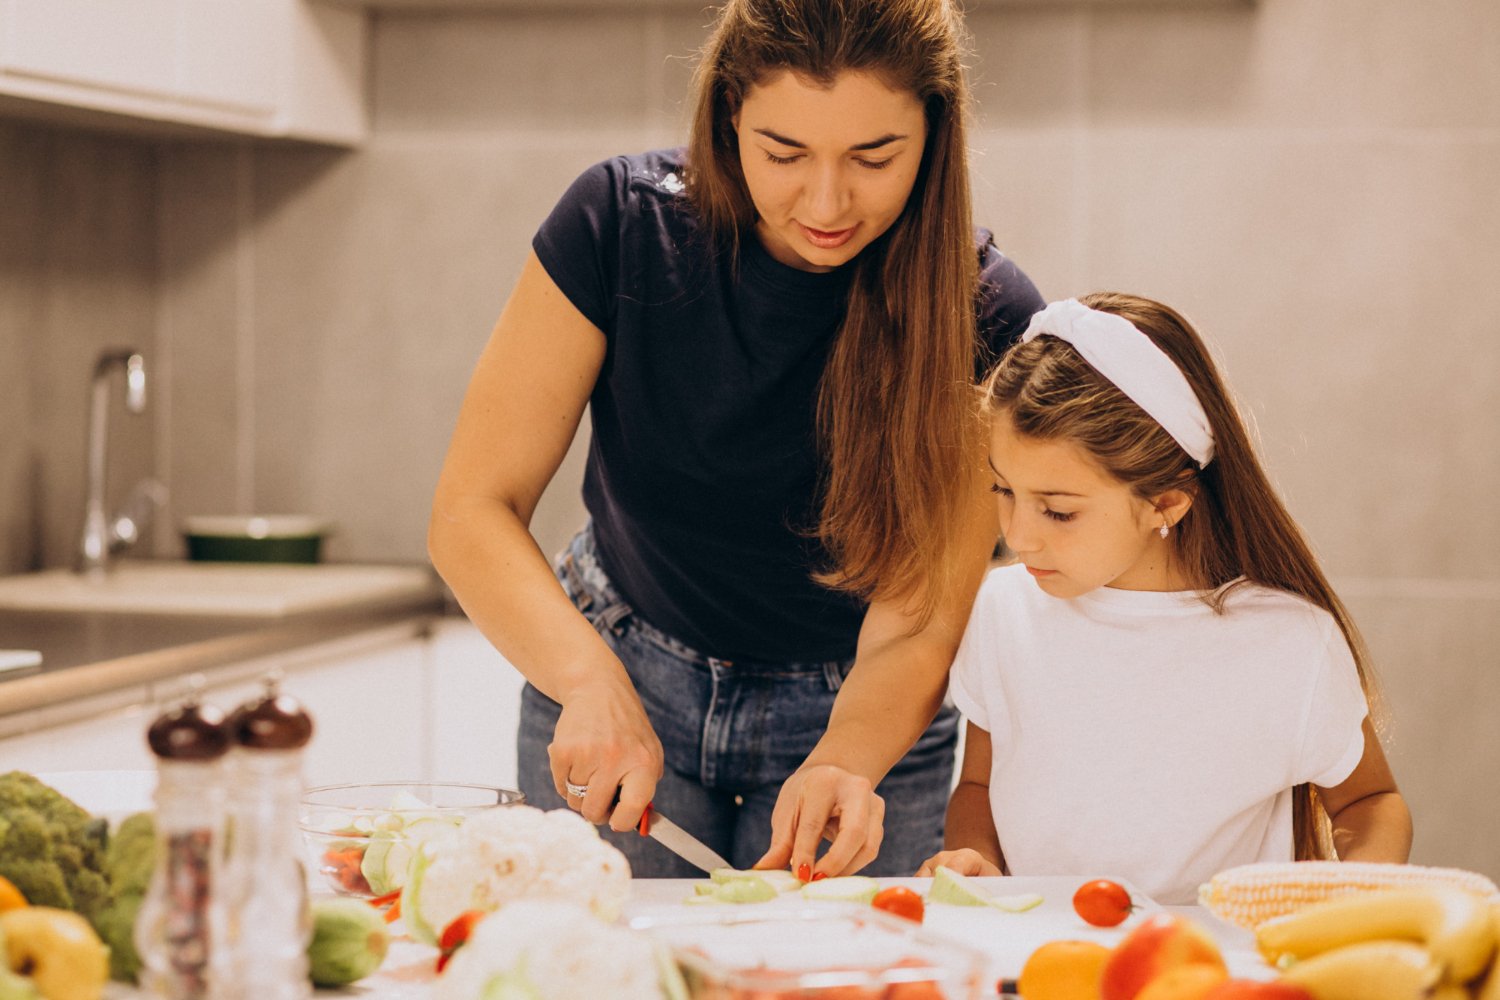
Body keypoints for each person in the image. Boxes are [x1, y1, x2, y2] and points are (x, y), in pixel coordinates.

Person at [427, 0, 1044, 878]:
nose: (826, 201)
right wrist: (590, 681)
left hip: (862, 709)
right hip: (621, 661)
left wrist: (844, 759)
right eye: (783, 152)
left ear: (935, 135)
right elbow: (470, 511)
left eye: (874, 157)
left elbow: (922, 620)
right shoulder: (620, 225)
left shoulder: (989, 315)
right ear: (728, 117)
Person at [917, 294, 1414, 903]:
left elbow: (1370, 801)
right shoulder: (1004, 611)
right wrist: (974, 856)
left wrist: (1354, 893)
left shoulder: (1288, 642)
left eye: (1059, 510)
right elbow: (977, 787)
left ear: (1167, 503)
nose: (1016, 535)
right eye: (1004, 489)